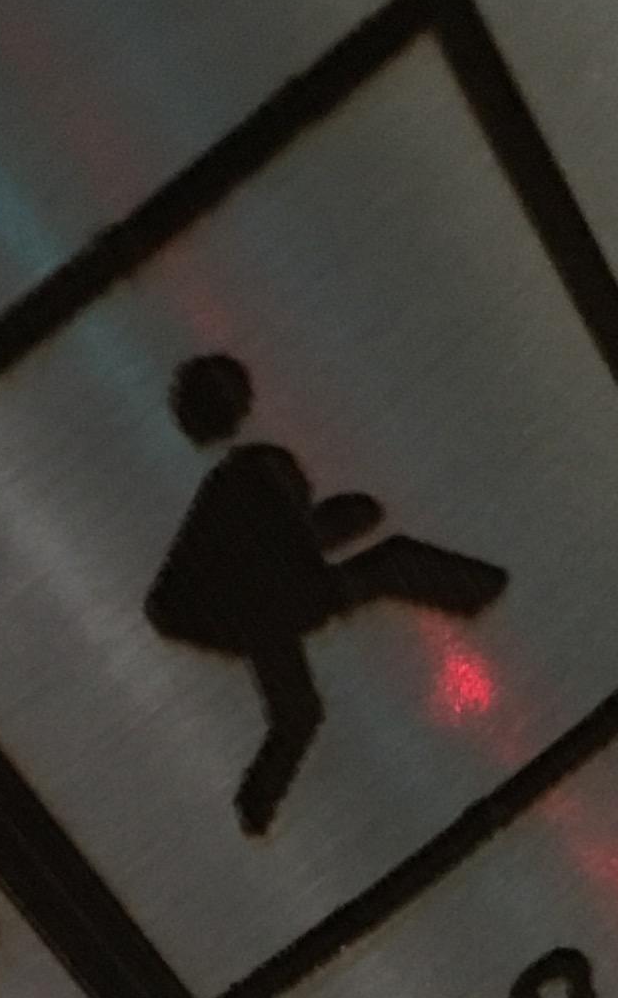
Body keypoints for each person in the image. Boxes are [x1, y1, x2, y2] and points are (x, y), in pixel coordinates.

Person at [142, 352, 508, 835]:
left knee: (299, 708)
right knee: (386, 569)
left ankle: (254, 809)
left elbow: (284, 550)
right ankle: (485, 591)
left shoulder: (256, 479)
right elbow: (275, 544)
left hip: (249, 602)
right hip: (242, 597)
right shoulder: (257, 472)